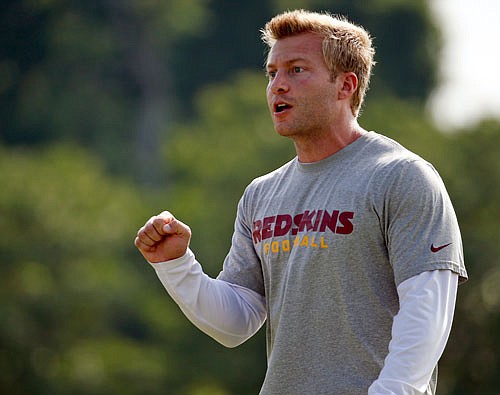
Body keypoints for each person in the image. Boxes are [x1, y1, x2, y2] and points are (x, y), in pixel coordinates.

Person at [135, 9, 468, 395]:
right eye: (272, 72)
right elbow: (235, 323)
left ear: (345, 86)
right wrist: (176, 265)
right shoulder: (260, 194)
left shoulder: (403, 176)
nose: (278, 85)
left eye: (296, 70)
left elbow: (427, 312)